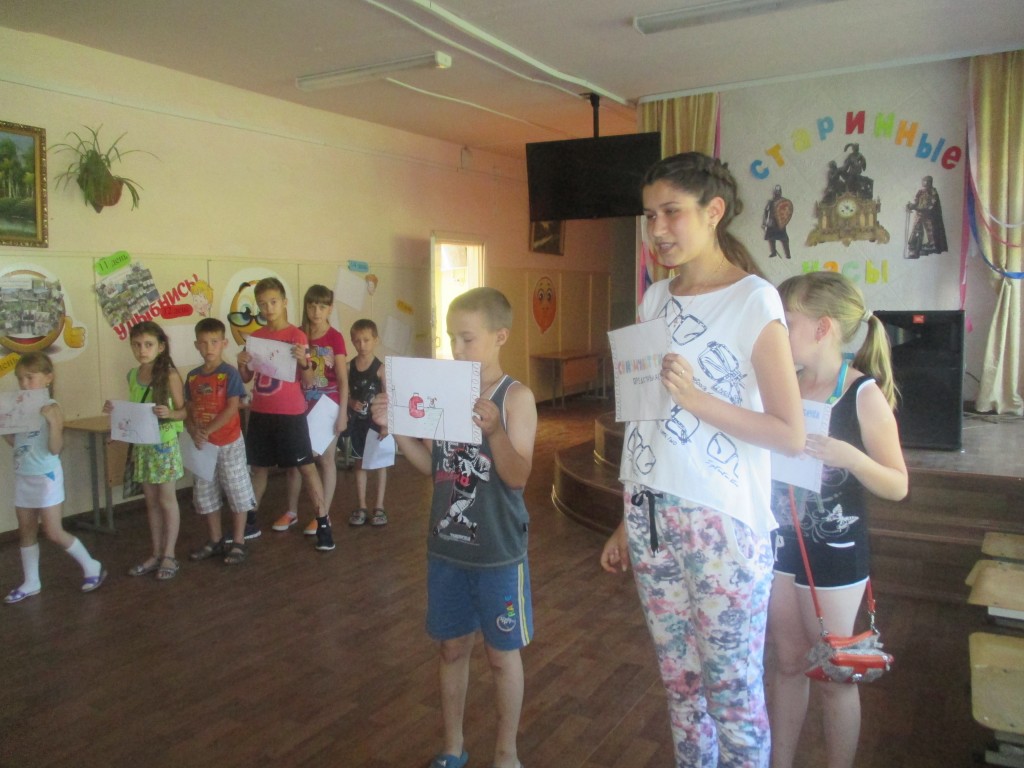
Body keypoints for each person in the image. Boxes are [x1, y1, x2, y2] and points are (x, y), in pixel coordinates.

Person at [599, 151, 805, 768]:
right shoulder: (654, 299)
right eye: (649, 216)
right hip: (651, 515)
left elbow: (790, 434)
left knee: (733, 698)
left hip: (723, 525)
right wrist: (628, 514)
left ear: (713, 211)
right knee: (682, 690)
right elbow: (645, 416)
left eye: (672, 212)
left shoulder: (754, 300)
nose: (657, 229)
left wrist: (697, 400)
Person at [371, 287, 537, 768]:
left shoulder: (517, 398)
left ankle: (506, 753)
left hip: (498, 553)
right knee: (451, 649)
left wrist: (495, 431)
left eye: (467, 338)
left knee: (502, 656)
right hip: (447, 549)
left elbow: (518, 477)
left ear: (500, 336)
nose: (456, 349)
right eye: (451, 339)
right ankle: (452, 747)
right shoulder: (448, 392)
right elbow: (433, 468)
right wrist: (397, 428)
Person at [767, 272, 908, 768]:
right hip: (781, 541)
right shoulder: (785, 386)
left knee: (834, 675)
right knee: (787, 662)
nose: (777, 332)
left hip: (836, 551)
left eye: (787, 323)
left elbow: (897, 484)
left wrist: (850, 457)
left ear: (823, 327)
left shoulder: (862, 394)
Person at [237, 277, 335, 552]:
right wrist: (241, 364)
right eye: (262, 304)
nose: (268, 308)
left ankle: (323, 523)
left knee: (306, 467)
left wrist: (303, 362)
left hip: (290, 414)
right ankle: (250, 520)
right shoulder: (255, 337)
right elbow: (246, 377)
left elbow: (309, 381)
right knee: (258, 468)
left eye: (273, 302)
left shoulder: (296, 336)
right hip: (260, 412)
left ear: (284, 303)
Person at [4, 352, 106, 604]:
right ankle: (31, 582)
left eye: (30, 377)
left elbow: (55, 448)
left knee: (52, 530)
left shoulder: (52, 408)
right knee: (26, 530)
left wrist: (53, 424)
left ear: (48, 377)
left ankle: (92, 565)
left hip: (46, 476)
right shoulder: (19, 407)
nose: (24, 383)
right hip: (24, 475)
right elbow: (16, 443)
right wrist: (4, 427)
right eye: (20, 378)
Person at [104, 321, 187, 581]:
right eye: (137, 345)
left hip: (164, 446)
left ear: (160, 347)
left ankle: (169, 554)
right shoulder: (133, 375)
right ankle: (156, 552)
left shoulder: (170, 375)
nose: (142, 350)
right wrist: (114, 413)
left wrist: (169, 413)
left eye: (148, 344)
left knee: (167, 500)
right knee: (151, 502)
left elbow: (185, 411)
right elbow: (134, 413)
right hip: (143, 446)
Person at [272, 285, 349, 536]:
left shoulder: (335, 337)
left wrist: (343, 413)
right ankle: (291, 511)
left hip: (328, 404)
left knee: (326, 460)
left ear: (330, 309)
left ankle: (323, 514)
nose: (316, 311)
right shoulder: (298, 334)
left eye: (322, 306)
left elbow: (342, 379)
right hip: (300, 403)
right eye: (312, 305)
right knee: (296, 462)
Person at [183, 317, 257, 565]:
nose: (209, 348)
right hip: (203, 446)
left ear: (224, 343)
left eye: (214, 342)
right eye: (203, 343)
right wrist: (194, 431)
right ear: (196, 345)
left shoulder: (229, 374)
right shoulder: (192, 377)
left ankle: (238, 541)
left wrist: (207, 430)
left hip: (229, 443)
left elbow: (232, 408)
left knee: (236, 491)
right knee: (206, 494)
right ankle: (215, 539)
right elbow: (188, 409)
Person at [345, 318, 387, 527]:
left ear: (375, 340)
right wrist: (350, 402)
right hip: (358, 425)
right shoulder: (348, 367)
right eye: (357, 341)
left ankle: (379, 506)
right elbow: (345, 394)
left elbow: (388, 398)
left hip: (376, 425)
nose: (362, 345)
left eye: (366, 340)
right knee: (359, 464)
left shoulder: (381, 369)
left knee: (380, 464)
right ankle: (361, 505)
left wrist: (386, 426)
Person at [905, 175, 948, 258]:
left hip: (930, 217)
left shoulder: (933, 193)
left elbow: (930, 207)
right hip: (920, 216)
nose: (925, 187)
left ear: (930, 184)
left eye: (927, 185)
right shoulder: (920, 192)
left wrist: (916, 208)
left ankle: (932, 244)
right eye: (924, 185)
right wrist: (910, 206)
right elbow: (915, 202)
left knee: (931, 230)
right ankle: (913, 246)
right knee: (916, 230)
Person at [762, 184, 793, 260]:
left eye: (778, 192)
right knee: (771, 239)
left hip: (780, 224)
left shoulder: (784, 202)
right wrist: (765, 222)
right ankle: (773, 252)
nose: (777, 194)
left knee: (784, 239)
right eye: (776, 192)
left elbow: (787, 212)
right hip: (772, 223)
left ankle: (788, 254)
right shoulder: (771, 202)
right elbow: (766, 211)